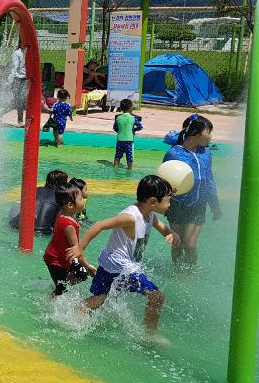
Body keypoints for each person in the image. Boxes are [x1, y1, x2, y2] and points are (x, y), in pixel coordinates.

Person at [67, 175, 178, 336]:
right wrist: (79, 248)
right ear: (153, 201)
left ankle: (76, 315)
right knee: (157, 297)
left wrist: (171, 233)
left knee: (100, 297)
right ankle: (150, 334)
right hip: (121, 264)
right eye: (168, 200)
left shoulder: (150, 215)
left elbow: (163, 228)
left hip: (110, 261)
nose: (170, 203)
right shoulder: (131, 217)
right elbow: (99, 225)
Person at [163, 114, 220, 267]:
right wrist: (162, 204)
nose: (211, 136)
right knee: (177, 243)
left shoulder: (206, 153)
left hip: (198, 206)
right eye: (209, 131)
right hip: (177, 205)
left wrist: (215, 206)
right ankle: (177, 272)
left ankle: (191, 272)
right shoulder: (174, 154)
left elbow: (209, 180)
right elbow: (164, 181)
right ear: (196, 133)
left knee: (190, 245)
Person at [42, 185, 96, 296]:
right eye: (81, 199)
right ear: (70, 205)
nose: (83, 201)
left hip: (62, 256)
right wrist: (87, 266)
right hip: (55, 260)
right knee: (61, 291)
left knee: (81, 275)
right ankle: (50, 298)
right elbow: (77, 251)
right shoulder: (69, 226)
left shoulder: (63, 213)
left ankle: (60, 283)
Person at [8, 169, 68, 233]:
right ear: (63, 185)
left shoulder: (35, 190)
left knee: (16, 204)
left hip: (17, 226)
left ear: (47, 181)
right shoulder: (62, 196)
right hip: (44, 231)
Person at [0, 43, 29, 126]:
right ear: (21, 44)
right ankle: (20, 121)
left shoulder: (26, 53)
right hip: (17, 79)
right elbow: (14, 68)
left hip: (24, 79)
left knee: (18, 102)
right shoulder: (17, 53)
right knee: (19, 101)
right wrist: (10, 81)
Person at [113, 98, 143, 170]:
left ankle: (115, 168)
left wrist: (120, 131)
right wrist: (133, 130)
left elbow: (115, 128)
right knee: (129, 157)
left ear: (121, 108)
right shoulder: (133, 118)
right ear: (130, 108)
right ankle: (130, 170)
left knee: (117, 156)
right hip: (129, 141)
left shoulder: (118, 118)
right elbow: (140, 126)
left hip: (120, 140)